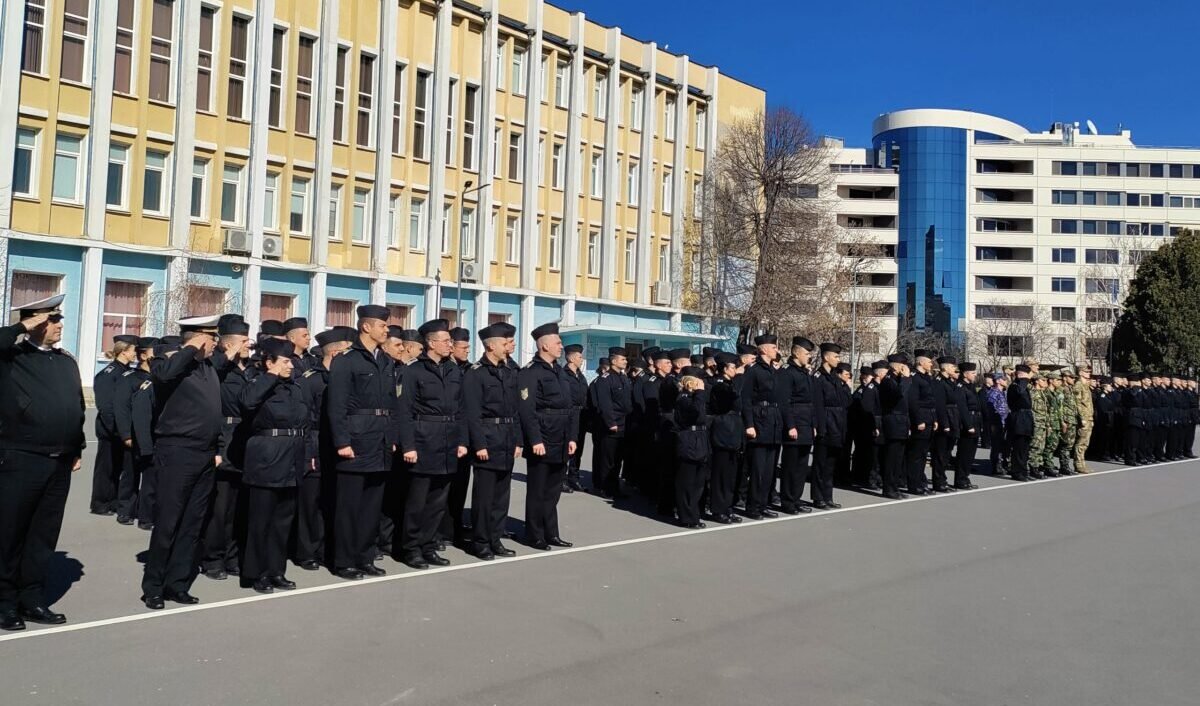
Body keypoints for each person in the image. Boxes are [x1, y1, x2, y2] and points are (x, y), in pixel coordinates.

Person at [0, 295, 85, 630]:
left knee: (42, 535)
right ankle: (4, 602)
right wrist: (21, 327)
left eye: (59, 319)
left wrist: (76, 446)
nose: (58, 325)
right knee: (9, 533)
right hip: (20, 457)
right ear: (34, 323)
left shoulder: (66, 361)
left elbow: (75, 405)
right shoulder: (12, 357)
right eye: (51, 319)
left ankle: (31, 599)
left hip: (58, 459)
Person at [141, 314, 234, 610]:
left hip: (204, 453)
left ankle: (177, 583)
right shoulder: (169, 363)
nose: (216, 345)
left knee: (192, 523)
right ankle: (154, 586)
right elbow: (163, 375)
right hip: (177, 451)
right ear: (198, 338)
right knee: (169, 521)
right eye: (212, 339)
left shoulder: (206, 367)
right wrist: (190, 348)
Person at [326, 305, 396, 581]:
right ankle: (344, 561)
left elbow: (392, 403)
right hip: (355, 440)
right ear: (366, 327)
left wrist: (391, 438)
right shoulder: (347, 360)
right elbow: (337, 405)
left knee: (371, 507)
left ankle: (365, 557)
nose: (386, 330)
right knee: (349, 507)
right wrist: (342, 440)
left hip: (379, 442)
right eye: (382, 325)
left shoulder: (386, 361)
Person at [393, 319, 466, 569]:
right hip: (423, 438)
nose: (450, 345)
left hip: (448, 440)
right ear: (431, 343)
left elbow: (462, 408)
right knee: (417, 500)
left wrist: (462, 440)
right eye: (446, 341)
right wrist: (408, 445)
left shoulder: (454, 370)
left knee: (438, 501)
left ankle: (428, 544)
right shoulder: (413, 371)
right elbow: (404, 411)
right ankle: (410, 548)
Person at [238, 338, 308, 593]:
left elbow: (305, 423)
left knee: (282, 522)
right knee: (261, 521)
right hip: (267, 458)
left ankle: (276, 571)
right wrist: (270, 375)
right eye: (286, 361)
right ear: (270, 362)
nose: (291, 366)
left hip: (292, 458)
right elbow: (247, 402)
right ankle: (256, 574)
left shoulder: (295, 388)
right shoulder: (257, 382)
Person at [294, 327, 355, 570]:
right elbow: (304, 420)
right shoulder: (311, 379)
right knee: (311, 503)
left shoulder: (345, 377)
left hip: (338, 445)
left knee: (333, 500)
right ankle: (306, 551)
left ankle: (327, 548)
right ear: (337, 352)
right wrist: (308, 454)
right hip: (315, 444)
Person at [463, 322, 522, 560]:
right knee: (484, 498)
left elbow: (515, 410)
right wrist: (479, 444)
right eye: (504, 342)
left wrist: (518, 440)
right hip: (488, 438)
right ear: (490, 345)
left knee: (501, 497)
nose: (508, 346)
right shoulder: (476, 373)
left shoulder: (509, 371)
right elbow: (472, 413)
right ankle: (481, 542)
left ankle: (495, 538)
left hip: (506, 439)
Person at [201, 314, 253, 582]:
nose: (249, 344)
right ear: (230, 343)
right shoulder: (215, 368)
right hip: (224, 438)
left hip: (244, 442)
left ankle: (233, 556)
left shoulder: (249, 368)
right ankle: (212, 559)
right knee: (219, 509)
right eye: (244, 340)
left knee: (238, 508)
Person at [517, 323, 578, 550]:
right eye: (558, 342)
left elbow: (569, 407)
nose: (561, 346)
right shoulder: (531, 372)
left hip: (561, 438)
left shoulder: (559, 372)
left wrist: (572, 437)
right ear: (544, 345)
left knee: (553, 491)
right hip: (543, 438)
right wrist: (535, 440)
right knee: (537, 491)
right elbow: (526, 410)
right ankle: (534, 535)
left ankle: (551, 532)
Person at [112, 337, 158, 525]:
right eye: (155, 352)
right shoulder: (130, 378)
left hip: (153, 435)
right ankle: (126, 510)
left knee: (151, 477)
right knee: (131, 475)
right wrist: (126, 434)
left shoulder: (159, 377)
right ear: (143, 355)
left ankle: (146, 516)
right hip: (133, 434)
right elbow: (121, 408)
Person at [91, 335, 139, 516]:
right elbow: (106, 406)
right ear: (124, 351)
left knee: (119, 467)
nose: (136, 354)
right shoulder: (109, 373)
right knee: (106, 468)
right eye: (133, 350)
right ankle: (100, 503)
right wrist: (119, 429)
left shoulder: (126, 372)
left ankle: (114, 501)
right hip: (110, 430)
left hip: (123, 430)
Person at [739, 335, 784, 520]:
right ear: (764, 349)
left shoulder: (773, 371)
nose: (777, 351)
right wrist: (749, 424)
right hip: (759, 420)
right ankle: (753, 507)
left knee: (769, 470)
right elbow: (746, 399)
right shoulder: (754, 371)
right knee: (758, 470)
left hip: (773, 422)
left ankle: (763, 504)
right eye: (773, 347)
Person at [441, 326, 474, 550]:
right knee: (444, 487)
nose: (467, 352)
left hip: (465, 437)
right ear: (452, 346)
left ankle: (455, 525)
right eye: (463, 347)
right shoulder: (444, 368)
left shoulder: (469, 370)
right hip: (446, 436)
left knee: (461, 485)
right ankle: (441, 530)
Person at [779, 337, 816, 514]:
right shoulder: (788, 373)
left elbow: (811, 402)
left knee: (802, 466)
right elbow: (785, 402)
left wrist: (813, 424)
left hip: (806, 423)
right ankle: (787, 501)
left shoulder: (804, 373)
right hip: (795, 423)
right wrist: (790, 425)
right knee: (791, 466)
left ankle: (796, 497)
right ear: (796, 353)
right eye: (807, 353)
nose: (809, 357)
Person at [811, 343, 849, 510]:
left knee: (830, 464)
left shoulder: (835, 377)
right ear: (826, 357)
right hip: (825, 422)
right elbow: (817, 404)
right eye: (836, 356)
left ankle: (828, 496)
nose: (838, 359)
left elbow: (844, 402)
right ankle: (818, 497)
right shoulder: (818, 377)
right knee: (820, 463)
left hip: (837, 423)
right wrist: (818, 425)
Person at [591, 346, 632, 499]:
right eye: (623, 359)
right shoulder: (605, 379)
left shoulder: (623, 377)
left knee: (617, 459)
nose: (626, 361)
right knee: (607, 459)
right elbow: (605, 403)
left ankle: (614, 487)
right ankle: (603, 487)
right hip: (612, 425)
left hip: (624, 423)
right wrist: (611, 422)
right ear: (614, 361)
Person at [707, 352, 744, 523]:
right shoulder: (719, 384)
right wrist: (739, 381)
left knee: (730, 475)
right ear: (724, 368)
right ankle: (718, 509)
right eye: (733, 367)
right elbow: (726, 402)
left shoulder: (730, 383)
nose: (736, 370)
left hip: (733, 431)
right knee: (720, 474)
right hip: (723, 431)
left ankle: (727, 507)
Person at [673, 368, 710, 529]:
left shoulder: (695, 398)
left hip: (700, 439)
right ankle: (686, 516)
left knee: (698, 482)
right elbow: (694, 412)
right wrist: (700, 394)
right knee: (687, 482)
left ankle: (693, 513)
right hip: (689, 440)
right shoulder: (683, 398)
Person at [878, 354, 911, 500]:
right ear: (896, 366)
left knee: (898, 458)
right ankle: (888, 488)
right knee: (891, 458)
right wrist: (905, 378)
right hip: (892, 422)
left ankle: (895, 486)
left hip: (902, 422)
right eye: (902, 365)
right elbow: (899, 394)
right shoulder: (888, 380)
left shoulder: (897, 380)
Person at [905, 351, 937, 495]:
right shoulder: (915, 378)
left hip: (929, 418)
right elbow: (913, 401)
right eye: (929, 361)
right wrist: (918, 420)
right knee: (916, 455)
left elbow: (931, 401)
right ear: (921, 362)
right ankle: (914, 484)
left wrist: (934, 418)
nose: (931, 364)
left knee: (924, 454)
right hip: (921, 419)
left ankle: (921, 482)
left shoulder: (927, 378)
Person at [562, 344, 588, 493]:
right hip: (569, 414)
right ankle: (562, 479)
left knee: (578, 448)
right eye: (579, 356)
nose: (581, 359)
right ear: (571, 358)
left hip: (581, 415)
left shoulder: (580, 375)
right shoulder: (563, 374)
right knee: (567, 448)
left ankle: (574, 477)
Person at [930, 356, 959, 493]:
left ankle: (943, 479)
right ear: (946, 367)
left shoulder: (949, 382)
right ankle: (939, 482)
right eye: (953, 366)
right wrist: (944, 423)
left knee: (947, 453)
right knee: (940, 454)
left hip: (952, 418)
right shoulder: (938, 382)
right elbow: (940, 405)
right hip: (945, 419)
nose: (955, 369)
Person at [953, 363, 981, 490]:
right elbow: (962, 408)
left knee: (971, 453)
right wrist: (968, 425)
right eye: (973, 373)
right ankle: (960, 479)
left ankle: (965, 477)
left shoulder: (971, 386)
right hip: (967, 422)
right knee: (964, 452)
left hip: (975, 420)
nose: (975, 375)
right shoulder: (960, 387)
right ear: (965, 374)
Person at [1006, 365, 1035, 482]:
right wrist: (1023, 379)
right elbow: (1019, 392)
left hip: (1026, 418)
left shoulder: (1023, 385)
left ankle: (1023, 470)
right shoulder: (1015, 386)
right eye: (1026, 375)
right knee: (1018, 447)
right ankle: (1016, 471)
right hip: (1018, 418)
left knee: (1025, 447)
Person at [985, 374, 1010, 476]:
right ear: (998, 381)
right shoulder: (993, 393)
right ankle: (996, 467)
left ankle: (1003, 464)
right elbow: (991, 410)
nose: (1006, 381)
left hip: (1004, 422)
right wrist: (994, 423)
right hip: (996, 423)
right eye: (1004, 379)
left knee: (1003, 445)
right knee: (996, 445)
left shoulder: (1003, 392)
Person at [1073, 365, 1095, 472]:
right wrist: (1082, 418)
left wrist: (1090, 418)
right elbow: (1077, 403)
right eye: (1086, 372)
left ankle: (1082, 463)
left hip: (1088, 417)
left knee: (1086, 442)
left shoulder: (1086, 386)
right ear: (1080, 373)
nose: (1088, 374)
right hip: (1084, 418)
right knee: (1081, 442)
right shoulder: (1078, 385)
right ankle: (1078, 464)